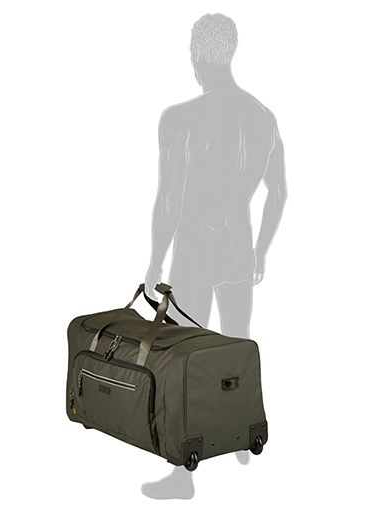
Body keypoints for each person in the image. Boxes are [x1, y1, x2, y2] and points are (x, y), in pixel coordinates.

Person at [142, 13, 287, 499]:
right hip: (238, 250)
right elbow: (279, 191)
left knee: (183, 357)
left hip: (194, 253)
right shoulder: (263, 117)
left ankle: (182, 476)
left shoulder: (180, 118)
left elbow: (169, 199)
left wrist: (154, 262)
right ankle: (242, 435)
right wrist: (261, 249)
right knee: (236, 344)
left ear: (197, 55)